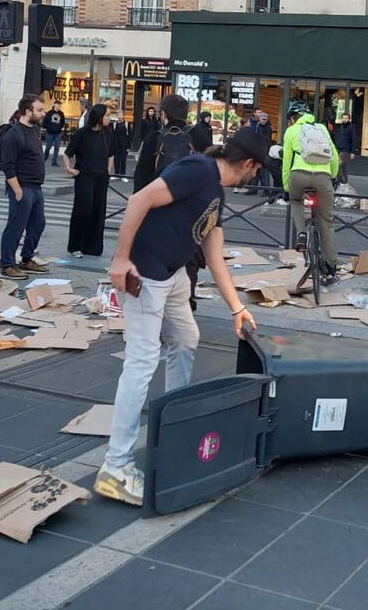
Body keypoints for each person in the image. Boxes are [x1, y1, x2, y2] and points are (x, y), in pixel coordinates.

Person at [96, 128, 273, 507]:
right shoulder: (197, 170)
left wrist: (237, 308)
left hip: (174, 275)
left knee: (186, 338)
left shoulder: (216, 191)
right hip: (145, 274)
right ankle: (115, 466)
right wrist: (121, 258)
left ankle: (172, 426)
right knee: (141, 362)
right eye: (257, 170)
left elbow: (214, 256)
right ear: (249, 164)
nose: (257, 177)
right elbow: (139, 200)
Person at [282, 100, 340, 279]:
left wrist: (286, 187)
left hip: (298, 174)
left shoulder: (291, 131)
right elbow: (334, 156)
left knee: (296, 200)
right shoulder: (321, 129)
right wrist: (333, 177)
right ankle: (330, 266)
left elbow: (286, 162)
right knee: (326, 222)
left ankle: (301, 233)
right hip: (323, 177)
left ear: (293, 118)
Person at [0, 95, 49, 279]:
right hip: (22, 187)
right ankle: (8, 264)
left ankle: (26, 259)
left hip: (36, 187)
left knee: (38, 224)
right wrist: (17, 189)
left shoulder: (34, 130)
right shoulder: (13, 134)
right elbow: (7, 164)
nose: (44, 113)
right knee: (16, 226)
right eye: (40, 110)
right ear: (28, 112)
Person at [64, 103, 115, 259]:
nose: (109, 118)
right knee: (83, 210)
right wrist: (69, 168)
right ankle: (76, 245)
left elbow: (111, 154)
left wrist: (108, 170)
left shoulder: (107, 133)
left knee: (98, 211)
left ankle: (93, 247)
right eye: (106, 115)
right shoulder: (82, 133)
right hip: (85, 175)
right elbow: (68, 153)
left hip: (101, 177)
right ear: (98, 117)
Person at [134, 94, 194, 190]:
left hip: (160, 194)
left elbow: (142, 175)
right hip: (189, 195)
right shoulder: (196, 135)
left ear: (163, 114)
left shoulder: (154, 137)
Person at [333, 116, 357, 186]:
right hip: (340, 148)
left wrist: (353, 151)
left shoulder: (351, 127)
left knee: (338, 164)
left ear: (349, 119)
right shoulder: (341, 127)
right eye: (343, 118)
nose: (344, 119)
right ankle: (345, 181)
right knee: (343, 166)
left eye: (346, 118)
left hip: (346, 149)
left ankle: (342, 180)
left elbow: (354, 139)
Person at [110, 107, 130, 178]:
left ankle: (123, 175)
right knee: (116, 160)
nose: (120, 116)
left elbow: (129, 136)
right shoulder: (114, 124)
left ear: (123, 115)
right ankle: (116, 174)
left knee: (123, 160)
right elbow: (112, 135)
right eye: (118, 115)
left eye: (121, 114)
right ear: (117, 116)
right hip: (116, 145)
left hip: (124, 145)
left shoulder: (127, 124)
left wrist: (128, 147)